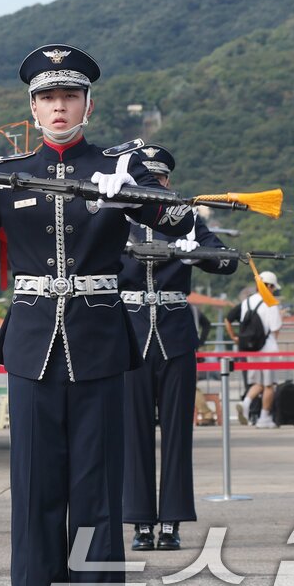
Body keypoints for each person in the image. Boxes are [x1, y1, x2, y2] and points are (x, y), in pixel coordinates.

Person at [0, 44, 194, 586]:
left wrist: (132, 196)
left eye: (69, 96)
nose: (59, 106)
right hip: (31, 346)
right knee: (37, 487)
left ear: (87, 103)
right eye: (47, 97)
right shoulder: (9, 175)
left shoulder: (115, 167)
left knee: (96, 490)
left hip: (100, 341)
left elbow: (180, 223)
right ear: (31, 106)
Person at [116, 145, 238, 553]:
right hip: (130, 333)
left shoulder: (186, 220)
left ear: (169, 182)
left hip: (174, 333)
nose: (156, 186)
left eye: (161, 179)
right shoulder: (119, 217)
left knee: (177, 433)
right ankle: (138, 521)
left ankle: (171, 520)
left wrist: (198, 256)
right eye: (148, 179)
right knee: (132, 433)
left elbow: (228, 261)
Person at [228, 274, 284, 427]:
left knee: (257, 383)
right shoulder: (271, 302)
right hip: (268, 348)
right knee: (269, 385)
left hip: (251, 348)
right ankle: (264, 418)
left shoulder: (247, 301)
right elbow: (275, 328)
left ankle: (245, 404)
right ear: (270, 286)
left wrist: (234, 337)